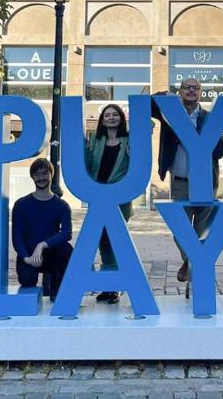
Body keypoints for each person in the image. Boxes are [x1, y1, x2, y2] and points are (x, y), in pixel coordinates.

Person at [153, 78, 223, 284]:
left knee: (202, 231)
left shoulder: (209, 118)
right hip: (180, 181)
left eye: (196, 88)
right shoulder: (168, 115)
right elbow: (149, 102)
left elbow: (220, 151)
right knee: (180, 229)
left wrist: (202, 135)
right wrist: (166, 95)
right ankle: (191, 260)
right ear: (180, 92)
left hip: (205, 182)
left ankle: (192, 264)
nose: (192, 91)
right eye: (187, 87)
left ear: (201, 93)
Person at [85, 103, 132, 304]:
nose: (111, 118)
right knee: (100, 240)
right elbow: (87, 164)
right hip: (97, 196)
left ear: (121, 118)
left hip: (118, 198)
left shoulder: (128, 141)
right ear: (101, 120)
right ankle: (107, 285)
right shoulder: (95, 140)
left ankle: (114, 287)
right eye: (107, 115)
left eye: (115, 115)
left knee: (114, 240)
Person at [11, 158, 73, 301]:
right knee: (27, 281)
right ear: (32, 177)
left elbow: (66, 233)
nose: (41, 178)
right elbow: (17, 236)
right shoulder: (21, 205)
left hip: (51, 255)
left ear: (51, 174)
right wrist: (26, 257)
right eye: (37, 174)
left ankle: (56, 292)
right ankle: (35, 277)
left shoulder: (61, 205)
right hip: (29, 256)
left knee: (66, 249)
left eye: (45, 173)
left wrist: (43, 244)